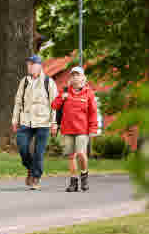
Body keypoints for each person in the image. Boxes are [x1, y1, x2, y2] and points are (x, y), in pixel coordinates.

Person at [12, 55, 58, 190]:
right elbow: (18, 102)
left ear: (39, 66)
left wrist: (54, 122)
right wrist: (15, 120)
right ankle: (31, 169)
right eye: (28, 64)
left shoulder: (48, 82)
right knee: (22, 147)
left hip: (43, 121)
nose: (30, 67)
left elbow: (54, 104)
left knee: (39, 152)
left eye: (32, 64)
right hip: (26, 120)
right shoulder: (24, 81)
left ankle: (35, 178)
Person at [51, 66, 98, 192]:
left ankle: (84, 174)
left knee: (81, 153)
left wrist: (93, 129)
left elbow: (93, 112)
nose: (75, 77)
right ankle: (73, 182)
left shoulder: (89, 93)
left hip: (82, 130)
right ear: (70, 79)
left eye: (77, 75)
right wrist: (62, 97)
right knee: (71, 156)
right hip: (67, 129)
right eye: (73, 75)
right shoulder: (65, 91)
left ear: (83, 78)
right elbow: (54, 105)